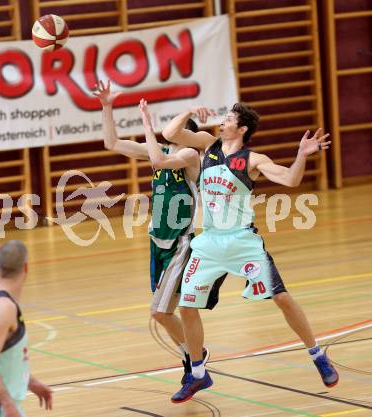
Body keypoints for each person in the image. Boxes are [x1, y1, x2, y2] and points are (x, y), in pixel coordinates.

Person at [162, 104, 339, 403]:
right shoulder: (208, 145)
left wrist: (301, 156)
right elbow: (170, 133)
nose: (223, 122)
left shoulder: (254, 159)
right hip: (210, 242)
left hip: (242, 241)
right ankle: (198, 374)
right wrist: (190, 109)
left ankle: (318, 355)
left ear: (242, 129)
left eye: (229, 119)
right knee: (186, 307)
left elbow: (291, 180)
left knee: (281, 297)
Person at [93, 80, 209, 383]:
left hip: (180, 243)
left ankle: (195, 359)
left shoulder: (190, 157)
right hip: (157, 243)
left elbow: (159, 158)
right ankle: (194, 354)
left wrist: (146, 121)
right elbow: (112, 144)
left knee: (160, 312)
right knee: (165, 312)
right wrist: (107, 107)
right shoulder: (162, 152)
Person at [0, 240, 52, 417]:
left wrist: (30, 382)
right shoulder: (4, 308)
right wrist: (7, 405)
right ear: (26, 268)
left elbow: (5, 358)